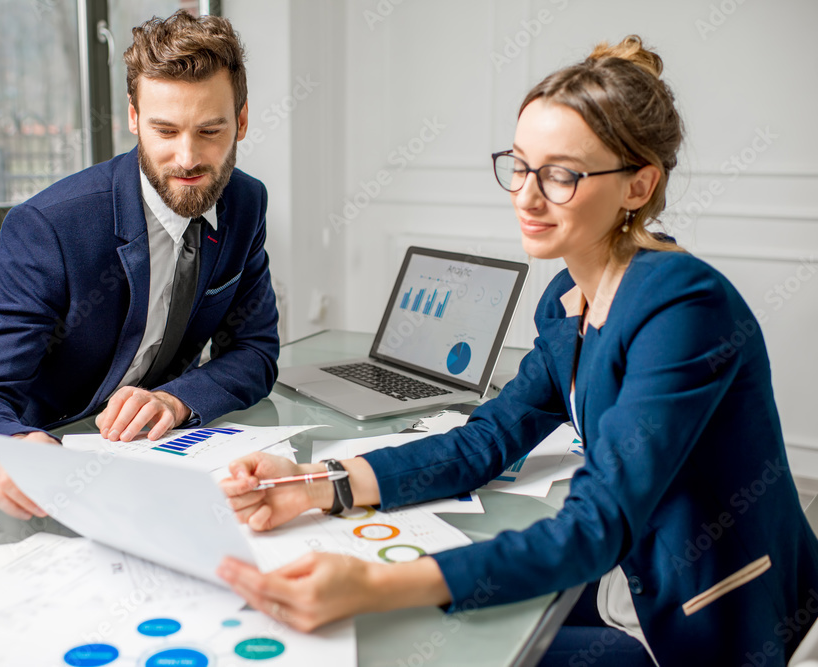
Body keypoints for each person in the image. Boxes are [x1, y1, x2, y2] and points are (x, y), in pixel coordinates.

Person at [218, 36, 818, 666]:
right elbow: (482, 443)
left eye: (562, 175)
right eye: (522, 165)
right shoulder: (566, 297)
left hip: (713, 619)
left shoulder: (685, 307)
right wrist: (318, 485)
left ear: (639, 186)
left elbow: (595, 525)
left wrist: (373, 586)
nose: (527, 197)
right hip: (629, 575)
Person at [0, 11, 279, 521]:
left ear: (242, 121)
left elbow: (254, 350)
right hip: (29, 483)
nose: (187, 159)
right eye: (165, 130)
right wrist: (7, 453)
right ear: (134, 118)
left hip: (149, 467)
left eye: (210, 130)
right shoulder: (49, 226)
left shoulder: (245, 203)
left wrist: (176, 400)